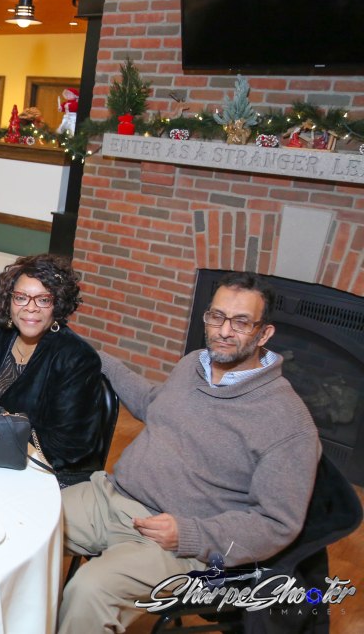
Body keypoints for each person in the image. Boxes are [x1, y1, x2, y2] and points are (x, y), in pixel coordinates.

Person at [58, 271, 321, 633]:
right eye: (217, 316)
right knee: (20, 521)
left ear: (264, 333)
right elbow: (154, 404)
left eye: (241, 322)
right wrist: (95, 358)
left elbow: (277, 524)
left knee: (89, 590)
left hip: (177, 544)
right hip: (111, 498)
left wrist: (190, 534)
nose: (224, 331)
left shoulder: (288, 422)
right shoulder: (194, 364)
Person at [0, 254, 102, 487]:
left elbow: (68, 446)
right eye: (21, 297)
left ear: (57, 304)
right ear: (8, 300)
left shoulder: (76, 358)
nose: (30, 308)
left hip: (42, 470)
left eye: (43, 300)